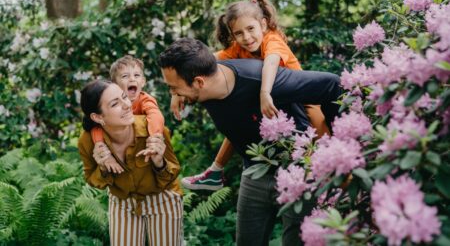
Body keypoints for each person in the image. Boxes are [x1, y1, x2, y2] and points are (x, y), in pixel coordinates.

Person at [159, 38, 342, 246]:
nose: (172, 93)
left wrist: (339, 146)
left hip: (297, 171)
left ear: (199, 82)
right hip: (254, 172)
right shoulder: (202, 85)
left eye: (173, 88)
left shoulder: (259, 80)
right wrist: (178, 92)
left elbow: (331, 84)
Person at [173, 0, 329, 191]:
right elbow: (206, 63)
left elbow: (271, 62)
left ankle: (333, 174)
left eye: (250, 29)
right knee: (238, 121)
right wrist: (177, 90)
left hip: (302, 98)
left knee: (320, 134)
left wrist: (265, 92)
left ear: (262, 24)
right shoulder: (239, 48)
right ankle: (215, 171)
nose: (246, 37)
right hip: (275, 102)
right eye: (238, 33)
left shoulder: (272, 39)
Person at [78, 80, 183, 246]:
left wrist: (159, 162)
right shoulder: (87, 142)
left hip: (163, 197)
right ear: (97, 117)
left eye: (124, 97)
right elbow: (92, 179)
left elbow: (171, 176)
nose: (127, 105)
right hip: (122, 203)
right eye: (115, 104)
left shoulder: (154, 130)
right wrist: (103, 167)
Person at [89, 55, 166, 174]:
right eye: (125, 76)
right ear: (114, 84)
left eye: (136, 75)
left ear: (143, 81)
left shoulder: (145, 100)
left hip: (141, 148)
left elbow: (155, 115)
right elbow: (96, 125)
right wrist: (99, 144)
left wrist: (155, 137)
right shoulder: (108, 105)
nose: (132, 79)